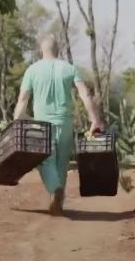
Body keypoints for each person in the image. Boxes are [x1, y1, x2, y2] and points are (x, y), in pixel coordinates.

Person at [13, 35, 104, 216]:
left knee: (45, 160)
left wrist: (18, 119)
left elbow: (23, 99)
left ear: (41, 50)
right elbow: (85, 94)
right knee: (62, 163)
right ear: (58, 50)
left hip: (41, 124)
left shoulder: (32, 70)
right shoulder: (69, 68)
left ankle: (55, 190)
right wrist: (95, 119)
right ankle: (58, 202)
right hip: (65, 122)